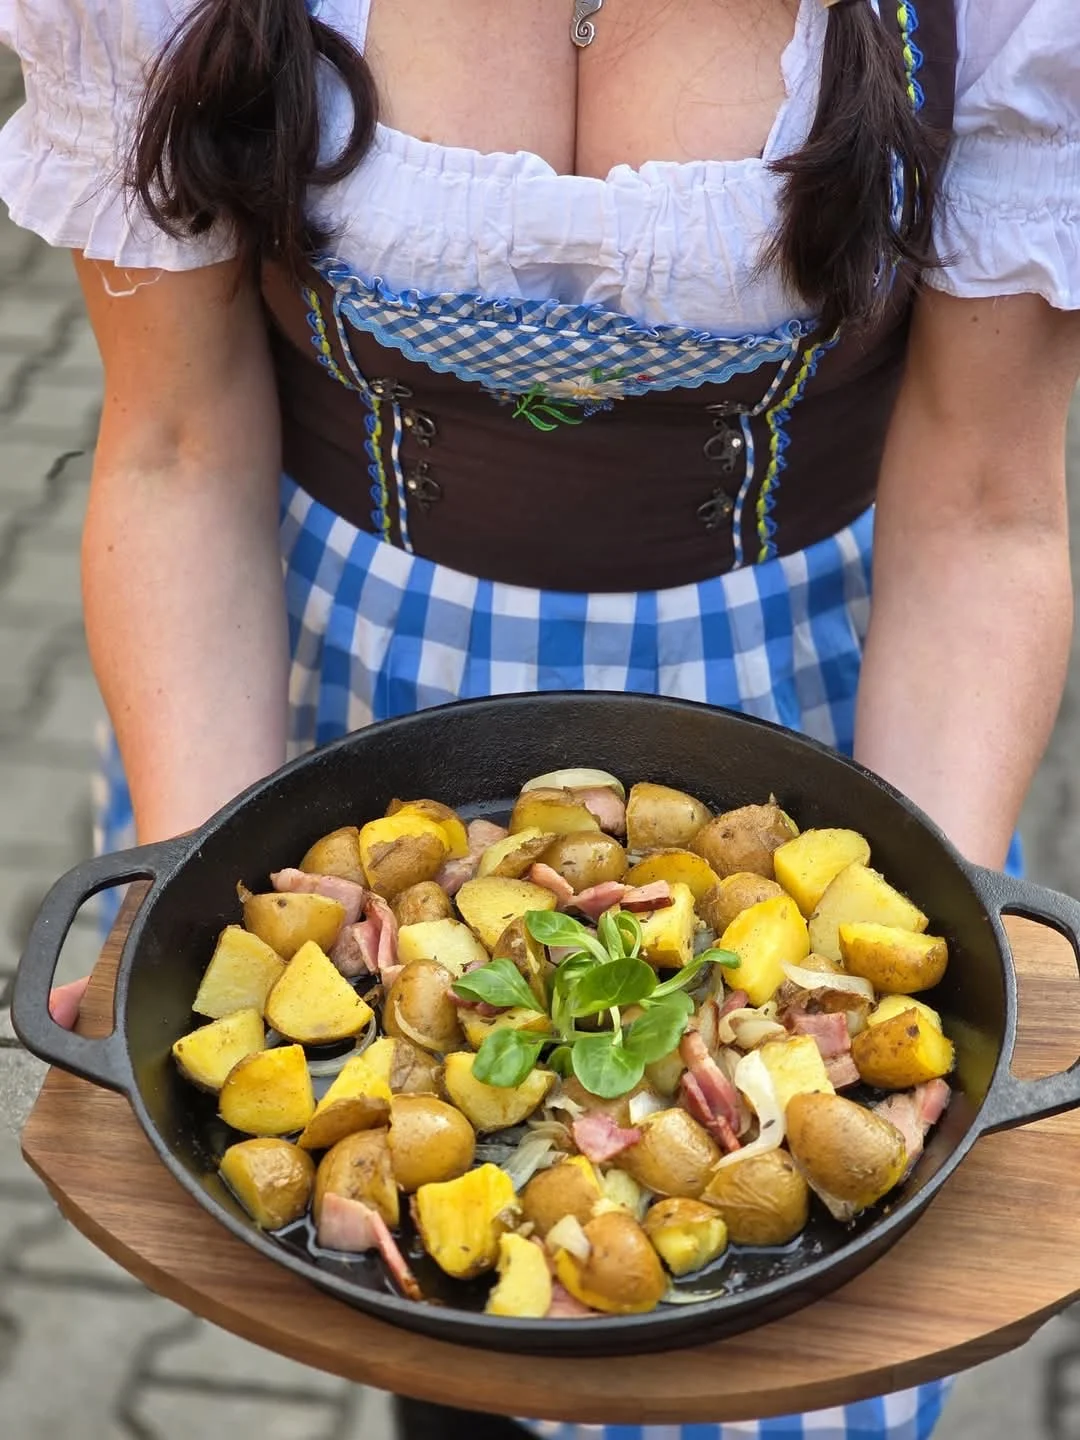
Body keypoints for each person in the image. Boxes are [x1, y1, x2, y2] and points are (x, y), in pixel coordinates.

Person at [3, 0, 1079, 1436]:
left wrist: (903, 968)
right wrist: (216, 887)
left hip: (815, 712)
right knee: (450, 1325)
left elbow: (991, 501)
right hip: (342, 704)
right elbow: (181, 441)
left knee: (788, 1355)